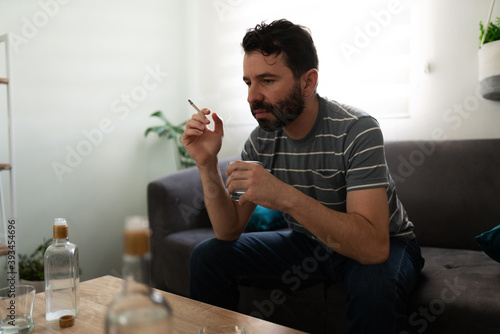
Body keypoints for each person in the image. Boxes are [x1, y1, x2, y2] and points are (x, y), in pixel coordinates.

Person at [181, 19, 424, 334]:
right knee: (208, 256)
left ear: (308, 83)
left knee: (373, 288)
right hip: (310, 242)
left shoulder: (357, 129)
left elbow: (372, 247)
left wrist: (282, 195)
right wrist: (206, 162)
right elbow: (229, 230)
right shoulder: (260, 142)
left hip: (387, 243)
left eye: (267, 80)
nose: (251, 97)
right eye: (248, 82)